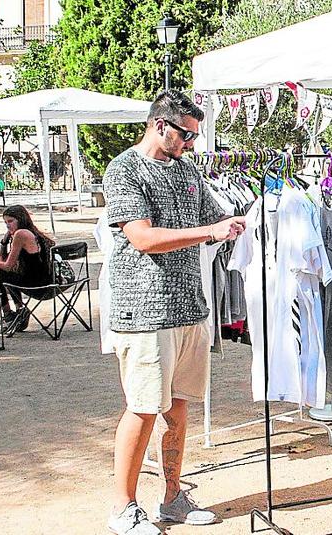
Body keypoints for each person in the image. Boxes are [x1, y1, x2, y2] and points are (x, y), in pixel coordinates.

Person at [103, 91, 245, 535]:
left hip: (189, 309)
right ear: (159, 124)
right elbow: (142, 238)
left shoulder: (186, 170)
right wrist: (209, 231)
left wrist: (242, 222)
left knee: (178, 409)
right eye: (186, 134)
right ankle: (123, 508)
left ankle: (172, 498)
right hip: (145, 312)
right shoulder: (124, 169)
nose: (191, 144)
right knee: (143, 409)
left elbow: (217, 217)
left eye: (195, 137)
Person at [0, 204, 54, 336]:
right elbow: (6, 262)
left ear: (20, 219)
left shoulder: (21, 234)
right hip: (48, 281)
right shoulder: (33, 232)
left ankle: (9, 313)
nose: (8, 226)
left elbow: (7, 265)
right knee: (6, 274)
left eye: (10, 221)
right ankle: (19, 309)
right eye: (5, 222)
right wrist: (4, 243)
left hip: (37, 285)